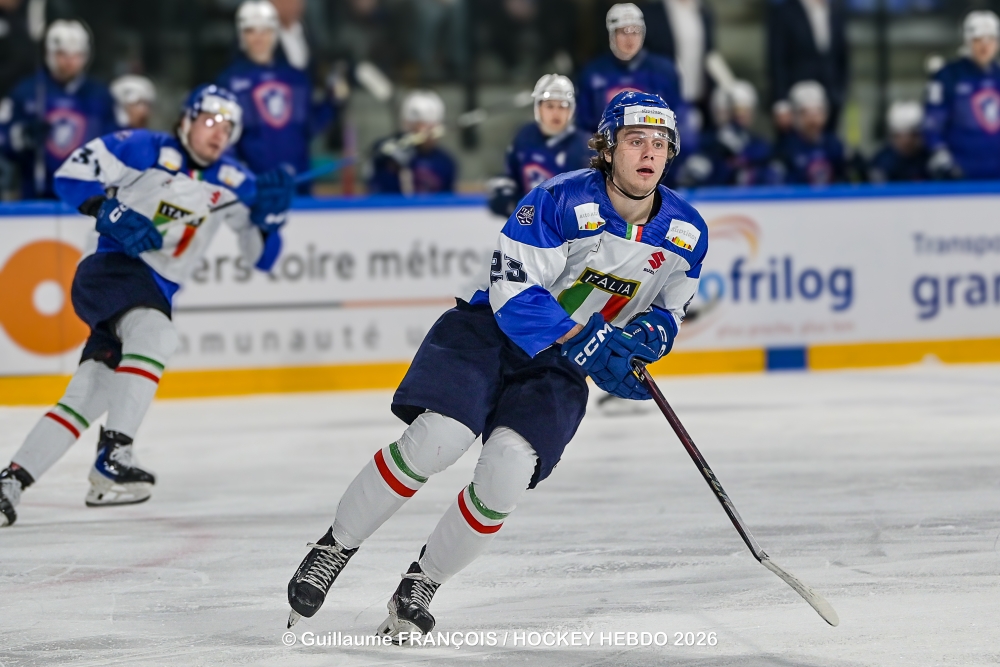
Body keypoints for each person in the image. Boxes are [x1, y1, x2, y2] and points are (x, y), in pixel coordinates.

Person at [285, 90, 707, 638]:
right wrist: (591, 341)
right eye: (634, 140)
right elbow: (514, 297)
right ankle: (333, 548)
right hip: (488, 333)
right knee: (439, 438)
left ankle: (423, 582)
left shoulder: (686, 232)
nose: (647, 152)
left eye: (658, 143)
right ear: (607, 148)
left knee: (508, 471)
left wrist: (651, 334)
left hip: (557, 368)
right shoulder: (556, 201)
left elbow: (669, 311)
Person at [0, 85, 295, 527]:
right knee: (158, 335)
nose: (218, 133)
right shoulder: (141, 147)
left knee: (87, 396)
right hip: (110, 271)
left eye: (228, 127)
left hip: (149, 295)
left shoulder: (235, 181)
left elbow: (262, 258)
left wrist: (270, 221)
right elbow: (69, 174)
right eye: (210, 121)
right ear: (186, 119)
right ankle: (114, 454)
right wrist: (109, 211)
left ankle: (11, 483)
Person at [217, 0, 335, 192]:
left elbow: (308, 127)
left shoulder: (296, 78)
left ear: (275, 32)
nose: (258, 37)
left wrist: (333, 102)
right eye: (250, 30)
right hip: (256, 188)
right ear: (241, 34)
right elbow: (226, 140)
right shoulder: (229, 82)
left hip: (299, 183)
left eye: (265, 30)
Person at [0, 19, 116, 199]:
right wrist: (22, 136)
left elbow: (117, 142)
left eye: (76, 54)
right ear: (49, 53)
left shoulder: (100, 95)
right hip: (38, 194)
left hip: (90, 196)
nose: (69, 62)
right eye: (62, 54)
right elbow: (4, 139)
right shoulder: (27, 91)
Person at [575, 3, 691, 150]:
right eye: (623, 31)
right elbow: (582, 126)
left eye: (635, 31)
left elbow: (680, 118)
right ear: (611, 33)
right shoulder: (592, 72)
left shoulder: (663, 70)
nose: (630, 38)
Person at [487, 73, 592, 218]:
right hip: (530, 228)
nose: (556, 113)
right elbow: (511, 177)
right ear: (538, 108)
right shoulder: (524, 137)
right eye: (549, 106)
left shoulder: (586, 146)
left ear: (571, 109)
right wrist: (505, 195)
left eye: (562, 106)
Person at [924, 10, 1000, 181]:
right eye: (978, 39)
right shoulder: (948, 76)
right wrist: (943, 159)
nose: (985, 46)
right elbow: (932, 124)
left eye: (991, 39)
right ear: (967, 41)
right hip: (962, 173)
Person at [767, 0, 849, 132]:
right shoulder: (785, 12)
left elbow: (842, 57)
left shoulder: (836, 10)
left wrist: (839, 94)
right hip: (796, 101)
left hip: (830, 102)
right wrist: (781, 102)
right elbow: (777, 61)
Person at [369, 89, 456, 195]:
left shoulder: (445, 162)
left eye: (433, 126)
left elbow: (448, 203)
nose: (429, 132)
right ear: (409, 125)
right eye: (423, 125)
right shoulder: (389, 151)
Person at [692, 80, 775, 187]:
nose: (741, 115)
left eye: (745, 110)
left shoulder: (759, 145)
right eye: (737, 110)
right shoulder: (708, 144)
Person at [774, 80, 845, 185]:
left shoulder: (834, 144)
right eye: (805, 113)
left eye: (817, 112)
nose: (813, 120)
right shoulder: (786, 148)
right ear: (795, 116)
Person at [868, 101, 929, 184]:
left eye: (913, 135)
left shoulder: (928, 159)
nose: (907, 140)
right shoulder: (882, 162)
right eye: (899, 135)